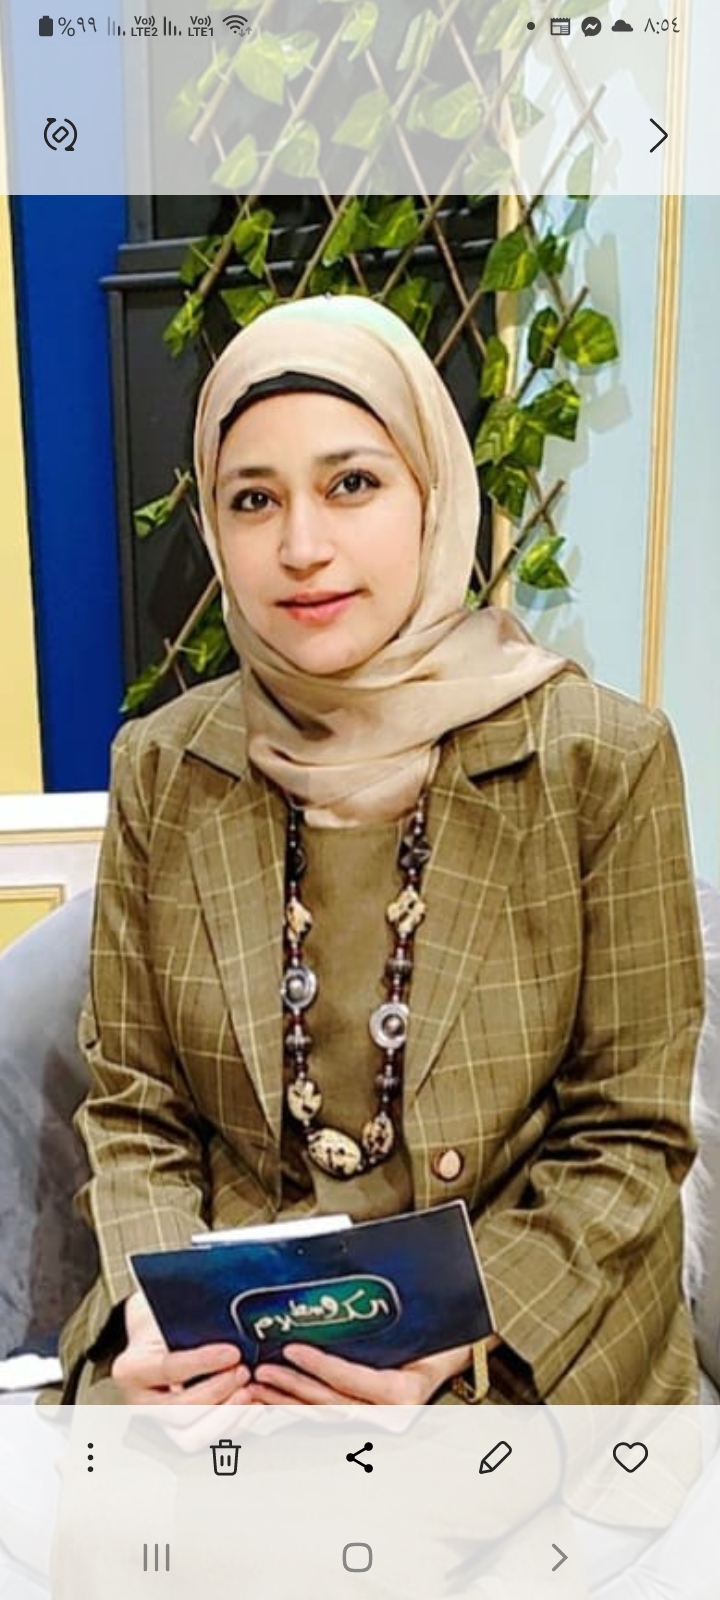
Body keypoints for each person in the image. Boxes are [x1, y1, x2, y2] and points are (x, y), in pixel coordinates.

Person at [59, 292, 703, 1411]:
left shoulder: (600, 758)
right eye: (253, 499)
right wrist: (160, 1310)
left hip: (511, 1339)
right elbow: (136, 1107)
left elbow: (628, 1134)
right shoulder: (162, 767)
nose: (302, 547)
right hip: (237, 1334)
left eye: (352, 483)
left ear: (431, 495)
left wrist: (455, 1340)